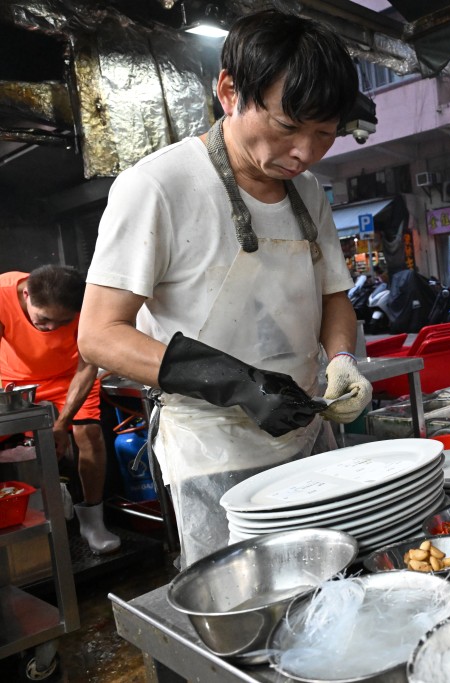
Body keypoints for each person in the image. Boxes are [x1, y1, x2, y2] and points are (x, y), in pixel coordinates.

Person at [78, 9, 372, 567]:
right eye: (288, 127)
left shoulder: (308, 192)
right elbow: (99, 335)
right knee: (245, 605)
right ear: (229, 90)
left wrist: (340, 359)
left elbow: (333, 295)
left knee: (330, 583)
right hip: (213, 449)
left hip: (307, 430)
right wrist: (237, 384)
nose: (305, 153)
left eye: (325, 135)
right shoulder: (158, 187)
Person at [0, 266, 120, 554]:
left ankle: (92, 522)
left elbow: (88, 365)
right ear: (26, 294)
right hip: (15, 380)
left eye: (62, 322)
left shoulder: (89, 304)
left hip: (70, 377)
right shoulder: (2, 294)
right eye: (43, 319)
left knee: (89, 434)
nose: (51, 329)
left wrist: (61, 424)